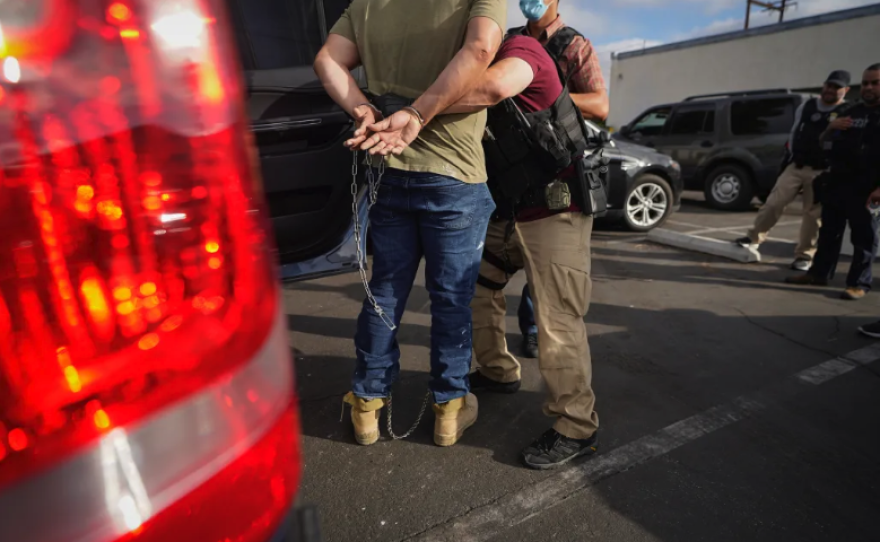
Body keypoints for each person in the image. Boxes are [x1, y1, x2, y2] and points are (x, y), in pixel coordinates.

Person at [313, 0, 507, 447]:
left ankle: (366, 404)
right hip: (455, 173)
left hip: (389, 167)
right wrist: (419, 115)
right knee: (452, 299)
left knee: (386, 289)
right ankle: (448, 409)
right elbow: (480, 51)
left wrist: (362, 108)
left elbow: (328, 58)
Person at [444, 32, 600, 469]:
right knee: (479, 287)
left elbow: (494, 87)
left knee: (557, 319)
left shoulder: (522, 52)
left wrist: (418, 108)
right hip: (511, 212)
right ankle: (498, 370)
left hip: (557, 210)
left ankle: (577, 427)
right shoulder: (468, 70)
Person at [511, 0, 610, 358]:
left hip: (559, 164)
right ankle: (494, 364)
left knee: (552, 266)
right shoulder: (509, 41)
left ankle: (535, 328)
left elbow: (601, 104)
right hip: (512, 165)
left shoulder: (574, 45)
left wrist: (548, 95)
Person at [735, 71, 851, 271]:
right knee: (773, 203)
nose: (831, 90)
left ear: (845, 90)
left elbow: (846, 141)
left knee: (813, 216)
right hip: (796, 165)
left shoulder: (848, 110)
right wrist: (789, 156)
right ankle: (753, 238)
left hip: (822, 170)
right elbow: (795, 131)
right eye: (828, 85)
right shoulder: (806, 106)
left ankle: (804, 256)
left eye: (836, 87)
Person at [786, 64, 880, 300]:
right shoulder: (852, 111)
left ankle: (858, 283)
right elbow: (823, 143)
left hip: (868, 188)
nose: (868, 87)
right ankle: (818, 273)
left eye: (875, 83)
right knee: (829, 232)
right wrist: (829, 128)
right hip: (838, 182)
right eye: (866, 82)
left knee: (864, 237)